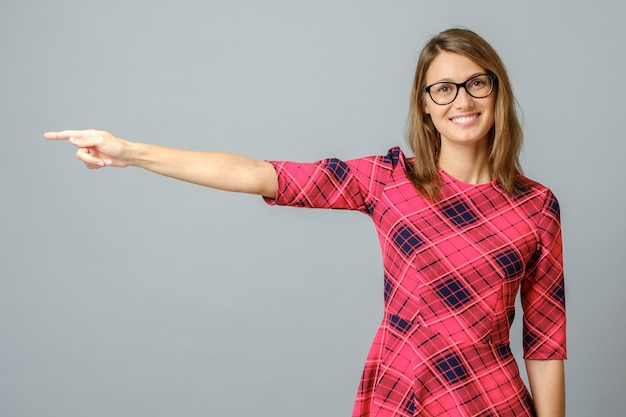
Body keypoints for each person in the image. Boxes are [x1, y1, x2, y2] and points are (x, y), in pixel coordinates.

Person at [45, 28, 566, 417]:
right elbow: (257, 173)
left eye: (478, 82)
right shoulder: (389, 180)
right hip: (403, 390)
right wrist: (129, 152)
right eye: (443, 89)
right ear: (425, 108)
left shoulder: (536, 205)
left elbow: (545, 342)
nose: (463, 100)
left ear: (497, 92)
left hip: (489, 400)